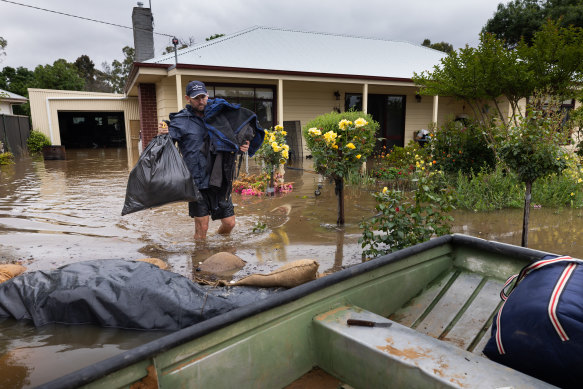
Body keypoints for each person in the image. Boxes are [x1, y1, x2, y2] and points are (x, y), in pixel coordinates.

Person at [157, 80, 262, 239]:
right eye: (196, 98)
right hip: (196, 182)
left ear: (207, 95)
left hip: (220, 179)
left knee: (229, 223)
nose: (201, 101)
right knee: (202, 227)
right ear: (188, 98)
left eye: (203, 97)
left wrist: (242, 148)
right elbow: (165, 147)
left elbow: (231, 143)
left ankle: (219, 243)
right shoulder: (180, 121)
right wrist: (161, 134)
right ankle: (199, 259)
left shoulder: (220, 116)